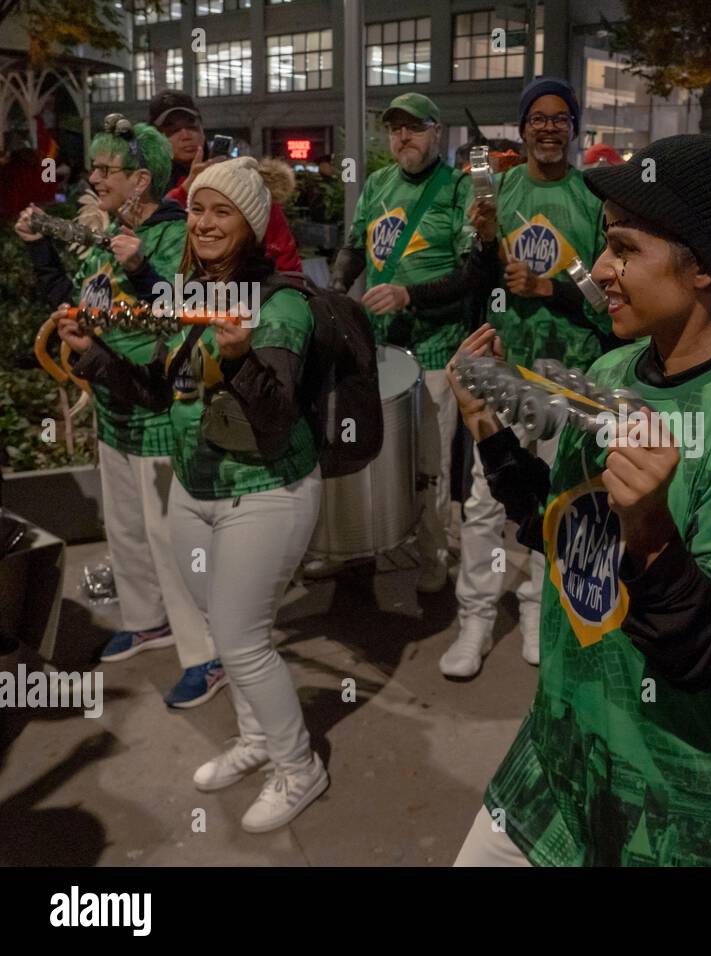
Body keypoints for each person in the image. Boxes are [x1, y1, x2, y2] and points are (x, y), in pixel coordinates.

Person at [450, 133, 711, 866]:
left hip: (678, 803)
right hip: (562, 753)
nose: (602, 272)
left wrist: (650, 534)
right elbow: (564, 536)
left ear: (705, 267)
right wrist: (491, 433)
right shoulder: (617, 365)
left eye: (624, 249)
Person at [57, 156, 329, 833]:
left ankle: (299, 767)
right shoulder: (187, 295)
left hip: (266, 491)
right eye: (199, 210)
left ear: (252, 225)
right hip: (195, 487)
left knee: (241, 641)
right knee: (221, 627)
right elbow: (159, 391)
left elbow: (272, 418)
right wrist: (91, 354)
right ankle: (258, 739)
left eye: (222, 212)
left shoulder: (282, 303)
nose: (204, 224)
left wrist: (238, 360)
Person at [16, 117, 225, 710]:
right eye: (95, 168)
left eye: (108, 170)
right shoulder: (105, 233)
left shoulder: (176, 235)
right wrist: (42, 259)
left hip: (161, 415)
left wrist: (142, 270)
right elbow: (77, 301)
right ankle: (146, 618)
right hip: (114, 407)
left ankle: (207, 653)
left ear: (141, 179)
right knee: (127, 531)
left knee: (172, 540)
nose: (95, 178)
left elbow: (185, 315)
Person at [442, 77, 609, 678]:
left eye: (559, 118)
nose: (547, 127)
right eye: (537, 118)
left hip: (573, 372)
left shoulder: (594, 199)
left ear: (573, 128)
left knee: (560, 496)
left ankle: (540, 610)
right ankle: (476, 620)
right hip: (506, 367)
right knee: (487, 501)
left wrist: (552, 289)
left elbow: (604, 296)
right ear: (522, 127)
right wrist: (486, 242)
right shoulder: (497, 190)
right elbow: (478, 281)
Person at [327, 93, 479, 594]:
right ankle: (372, 542)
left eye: (413, 128)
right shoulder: (377, 183)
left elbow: (469, 274)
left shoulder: (458, 188)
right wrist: (333, 292)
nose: (402, 138)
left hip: (437, 351)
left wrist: (407, 293)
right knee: (371, 450)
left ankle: (435, 557)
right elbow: (353, 246)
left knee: (430, 466)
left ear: (437, 131)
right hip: (381, 351)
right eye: (395, 129)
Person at [148, 89, 302, 272]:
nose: (186, 136)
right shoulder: (141, 187)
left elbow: (286, 261)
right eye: (172, 130)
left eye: (192, 127)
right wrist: (183, 191)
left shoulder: (242, 184)